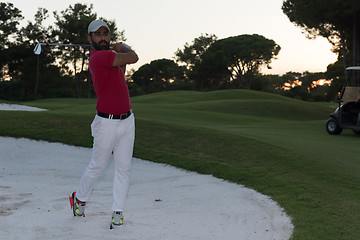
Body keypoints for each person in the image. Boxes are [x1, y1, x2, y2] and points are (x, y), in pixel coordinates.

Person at [70, 19, 139, 229]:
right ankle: (79, 199)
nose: (102, 38)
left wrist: (119, 50)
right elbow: (134, 57)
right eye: (97, 34)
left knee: (123, 168)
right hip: (106, 123)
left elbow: (124, 66)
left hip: (127, 121)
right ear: (89, 38)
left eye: (105, 34)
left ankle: (117, 211)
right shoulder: (99, 57)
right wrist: (123, 47)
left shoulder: (111, 57)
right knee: (98, 166)